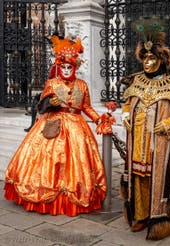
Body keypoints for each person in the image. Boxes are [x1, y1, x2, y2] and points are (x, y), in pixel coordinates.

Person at [4, 35, 107, 216]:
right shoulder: (52, 83)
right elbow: (42, 105)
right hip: (53, 124)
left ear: (75, 67)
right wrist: (51, 101)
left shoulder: (82, 85)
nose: (66, 70)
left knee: (76, 160)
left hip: (76, 126)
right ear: (58, 67)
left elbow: (87, 107)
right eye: (63, 67)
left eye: (70, 67)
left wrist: (99, 119)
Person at [120, 18, 170, 240]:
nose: (147, 62)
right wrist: (126, 115)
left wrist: (167, 123)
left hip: (163, 146)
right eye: (144, 58)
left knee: (159, 181)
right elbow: (127, 104)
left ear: (161, 60)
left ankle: (162, 218)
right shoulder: (134, 82)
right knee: (139, 176)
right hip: (137, 143)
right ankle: (142, 215)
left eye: (152, 58)